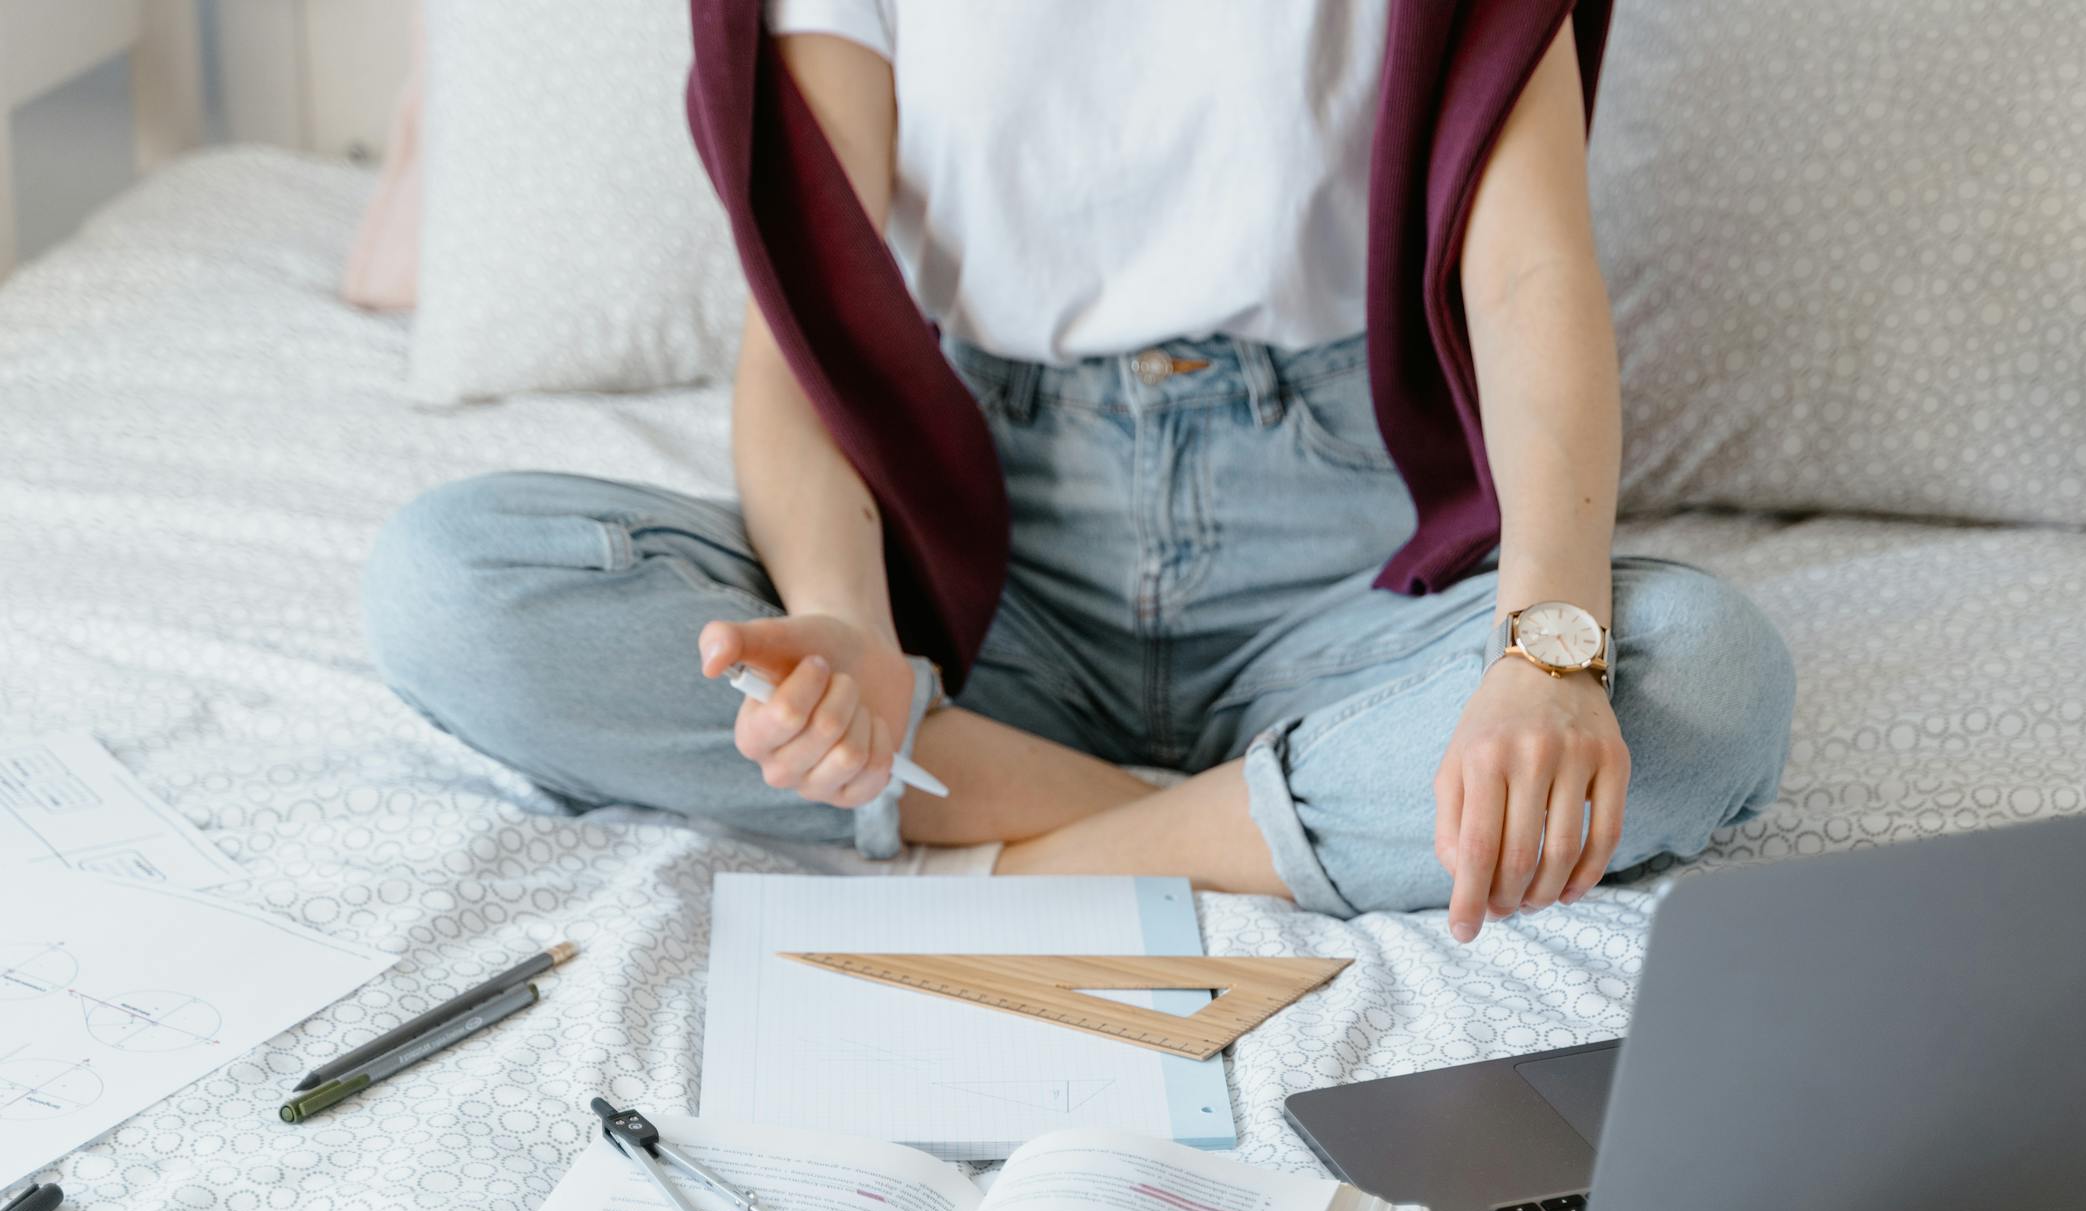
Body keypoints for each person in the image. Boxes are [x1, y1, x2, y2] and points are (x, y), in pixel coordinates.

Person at [364, 3, 1794, 944]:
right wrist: (852, 640)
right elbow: (802, 337)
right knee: (452, 586)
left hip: (1342, 575)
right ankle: (1242, 816)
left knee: (1700, 680)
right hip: (980, 573)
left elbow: (1533, 268)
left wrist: (1546, 653)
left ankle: (1027, 843)